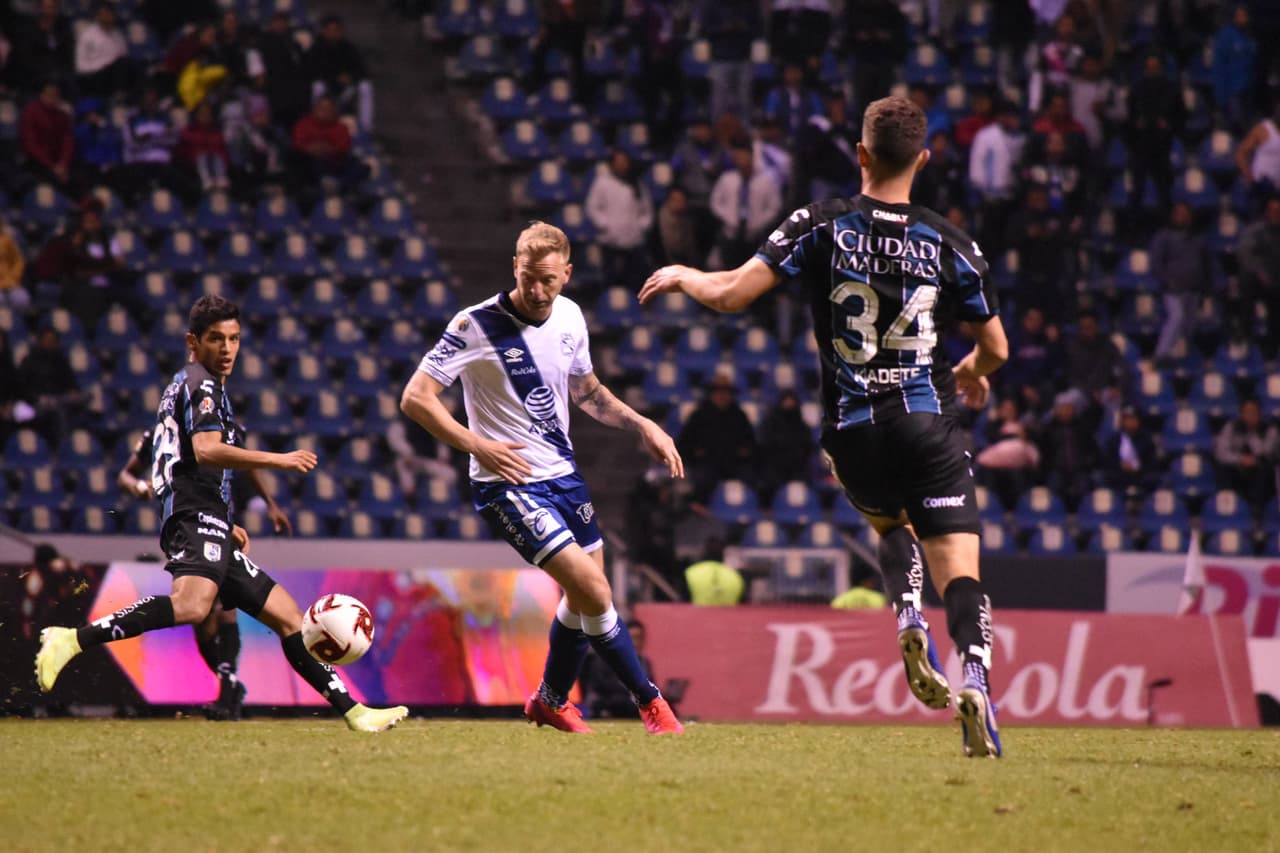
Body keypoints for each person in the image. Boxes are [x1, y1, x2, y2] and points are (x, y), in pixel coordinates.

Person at [641, 95, 1009, 757]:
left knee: (890, 525)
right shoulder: (950, 241)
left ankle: (906, 613)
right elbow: (998, 349)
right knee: (959, 564)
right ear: (924, 160)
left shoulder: (819, 222)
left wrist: (686, 275)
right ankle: (976, 677)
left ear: (860, 154)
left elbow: (732, 293)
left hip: (854, 431)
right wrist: (971, 370)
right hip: (928, 425)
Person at [35, 295, 408, 733]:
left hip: (204, 513)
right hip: (193, 514)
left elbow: (185, 460)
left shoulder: (189, 384)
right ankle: (72, 639)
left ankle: (355, 713)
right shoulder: (202, 385)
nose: (227, 348)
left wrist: (224, 521)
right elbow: (206, 451)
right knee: (192, 606)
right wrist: (280, 460)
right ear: (193, 342)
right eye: (216, 339)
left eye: (233, 339)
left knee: (289, 617)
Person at [400, 222, 684, 735]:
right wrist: (476, 444)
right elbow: (415, 398)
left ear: (566, 274)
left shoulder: (571, 315)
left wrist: (644, 424)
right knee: (595, 590)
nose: (536, 290)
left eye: (548, 280)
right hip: (506, 483)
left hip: (564, 477)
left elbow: (588, 393)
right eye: (528, 277)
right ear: (515, 267)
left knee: (583, 596)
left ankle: (550, 701)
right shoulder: (474, 325)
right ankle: (652, 704)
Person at [116, 416, 294, 721]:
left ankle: (227, 692)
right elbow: (126, 475)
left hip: (220, 524)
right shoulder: (161, 432)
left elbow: (245, 462)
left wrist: (270, 503)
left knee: (224, 606)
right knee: (200, 618)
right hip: (185, 524)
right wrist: (139, 487)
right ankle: (230, 685)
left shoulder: (221, 425)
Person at [677, 372, 758, 502]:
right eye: (718, 392)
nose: (722, 395)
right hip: (707, 462)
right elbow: (685, 442)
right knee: (702, 478)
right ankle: (700, 507)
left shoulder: (739, 416)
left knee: (751, 476)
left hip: (734, 462)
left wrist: (745, 451)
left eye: (726, 392)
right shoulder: (699, 415)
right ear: (711, 394)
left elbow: (750, 442)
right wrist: (695, 453)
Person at [1150, 202, 1210, 365]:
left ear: (1190, 216)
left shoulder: (1199, 238)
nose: (1181, 216)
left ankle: (1183, 360)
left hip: (1193, 289)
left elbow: (1207, 264)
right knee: (1176, 317)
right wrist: (1167, 281)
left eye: (1184, 213)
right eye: (1177, 213)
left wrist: (1207, 287)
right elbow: (1156, 263)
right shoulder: (1164, 236)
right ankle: (1160, 355)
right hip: (1172, 289)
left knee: (1188, 327)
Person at [584, 149, 653, 291]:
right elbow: (592, 207)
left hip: (633, 241)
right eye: (618, 162)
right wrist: (605, 224)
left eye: (624, 161)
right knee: (610, 279)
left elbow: (647, 210)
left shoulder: (637, 184)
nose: (621, 164)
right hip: (610, 241)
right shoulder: (603, 182)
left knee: (635, 279)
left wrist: (641, 226)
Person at [709, 140, 783, 268]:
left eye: (744, 156)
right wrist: (728, 217)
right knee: (729, 268)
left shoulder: (765, 181)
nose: (742, 160)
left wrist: (759, 223)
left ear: (752, 156)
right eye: (738, 157)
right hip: (730, 232)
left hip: (755, 235)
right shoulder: (727, 178)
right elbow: (715, 202)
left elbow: (774, 207)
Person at [307, 15, 374, 133]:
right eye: (330, 30)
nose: (333, 33)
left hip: (346, 88)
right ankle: (315, 122)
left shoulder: (348, 47)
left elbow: (362, 69)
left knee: (365, 86)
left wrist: (350, 77)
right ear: (324, 31)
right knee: (317, 86)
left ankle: (365, 128)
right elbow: (313, 71)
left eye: (336, 30)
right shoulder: (316, 48)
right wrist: (335, 78)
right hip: (327, 87)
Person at [1214, 398, 1279, 508]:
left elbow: (1267, 452)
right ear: (1241, 414)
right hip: (1238, 467)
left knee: (1266, 470)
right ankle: (1229, 507)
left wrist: (1252, 434)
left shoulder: (1270, 430)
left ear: (1260, 413)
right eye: (1247, 412)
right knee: (1223, 468)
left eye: (1254, 412)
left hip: (1260, 470)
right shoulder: (1232, 427)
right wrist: (1240, 458)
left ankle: (1257, 510)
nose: (1250, 415)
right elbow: (1221, 452)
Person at [1236, 195, 1280, 350]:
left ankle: (1273, 347)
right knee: (1247, 278)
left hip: (1277, 281)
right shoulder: (1255, 231)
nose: (1276, 214)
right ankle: (1244, 335)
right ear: (1267, 212)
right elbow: (1245, 254)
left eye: (1279, 211)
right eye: (1273, 210)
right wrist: (1261, 272)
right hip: (1258, 281)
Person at [20, 80, 74, 190]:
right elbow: (31, 145)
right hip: (37, 163)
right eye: (49, 94)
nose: (52, 98)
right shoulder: (30, 113)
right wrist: (52, 166)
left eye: (56, 95)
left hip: (59, 163)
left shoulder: (62, 115)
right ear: (42, 95)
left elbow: (67, 140)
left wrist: (63, 163)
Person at [74, 2, 133, 99]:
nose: (106, 17)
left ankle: (123, 96)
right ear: (97, 16)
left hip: (114, 74)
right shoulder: (87, 35)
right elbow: (80, 65)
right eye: (103, 14)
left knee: (130, 65)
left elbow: (124, 56)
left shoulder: (118, 35)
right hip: (93, 76)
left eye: (109, 14)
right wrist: (102, 68)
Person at [1102, 404, 1159, 495]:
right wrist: (1120, 465)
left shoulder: (1146, 438)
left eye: (1133, 418)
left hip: (1141, 474)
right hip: (1119, 474)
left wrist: (1135, 466)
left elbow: (1151, 460)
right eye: (1127, 419)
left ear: (1138, 420)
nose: (1130, 422)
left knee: (1153, 477)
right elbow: (1109, 459)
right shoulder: (1115, 439)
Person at [684, 538, 745, 606]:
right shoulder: (735, 575)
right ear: (723, 554)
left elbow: (683, 602)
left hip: (697, 612)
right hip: (728, 612)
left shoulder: (691, 572)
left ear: (704, 552)